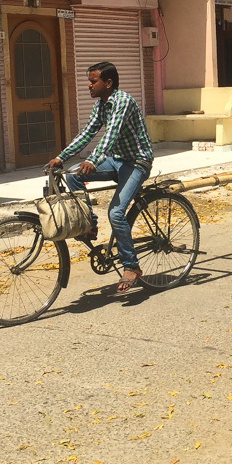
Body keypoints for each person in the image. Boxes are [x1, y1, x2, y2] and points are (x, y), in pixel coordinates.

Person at [47, 62, 154, 293]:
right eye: (89, 80)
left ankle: (131, 266)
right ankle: (90, 226)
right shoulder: (101, 105)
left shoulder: (123, 101)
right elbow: (87, 133)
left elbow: (110, 136)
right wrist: (61, 157)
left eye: (93, 80)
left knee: (115, 212)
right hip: (116, 160)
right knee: (74, 175)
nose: (88, 85)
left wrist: (93, 161)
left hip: (137, 161)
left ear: (108, 83)